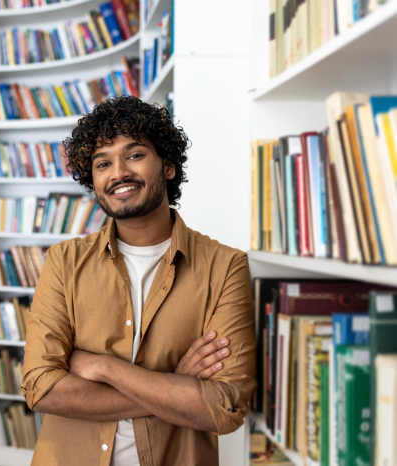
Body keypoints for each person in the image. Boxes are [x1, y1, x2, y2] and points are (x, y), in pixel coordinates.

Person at [21, 95, 256, 466]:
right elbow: (41, 388)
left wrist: (104, 368)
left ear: (168, 166)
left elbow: (224, 407)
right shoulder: (65, 262)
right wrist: (175, 384)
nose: (118, 173)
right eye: (102, 163)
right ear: (93, 180)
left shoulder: (225, 267)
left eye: (134, 155)